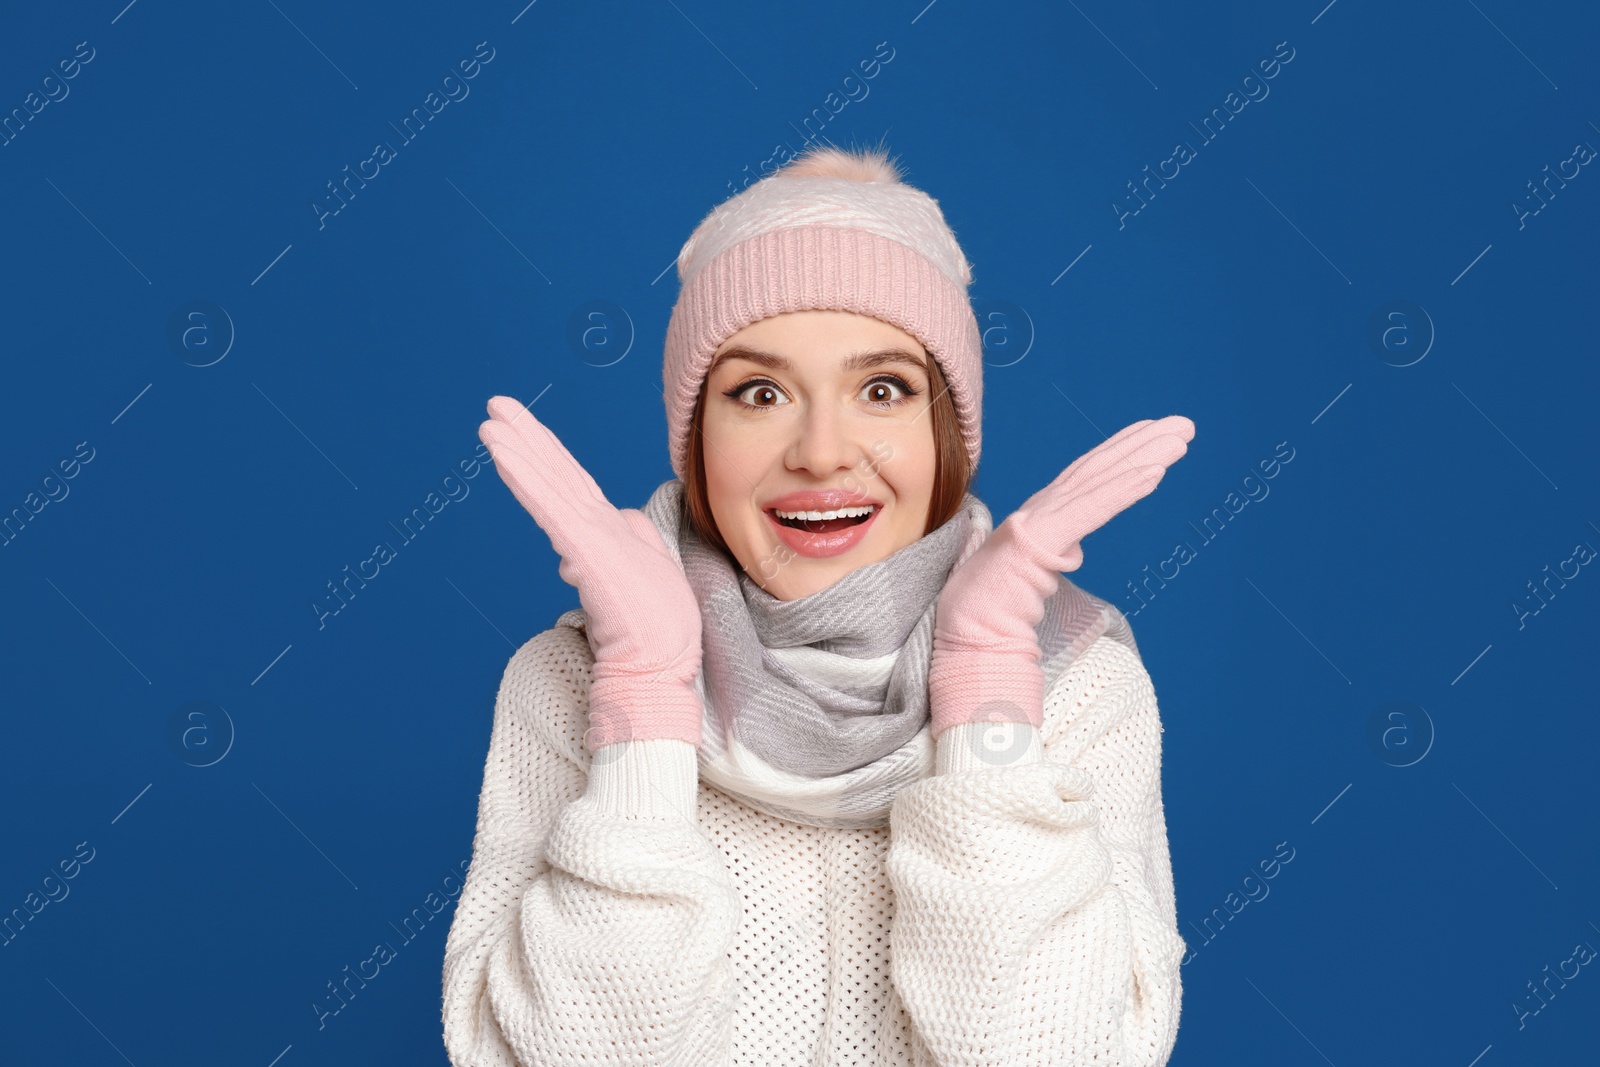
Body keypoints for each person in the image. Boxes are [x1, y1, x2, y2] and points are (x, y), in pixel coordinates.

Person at [440, 143, 1195, 1066]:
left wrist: (991, 688)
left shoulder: (1077, 689)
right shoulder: (566, 685)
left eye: (882, 388)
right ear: (695, 438)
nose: (822, 451)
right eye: (759, 392)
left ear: (946, 429)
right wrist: (644, 701)